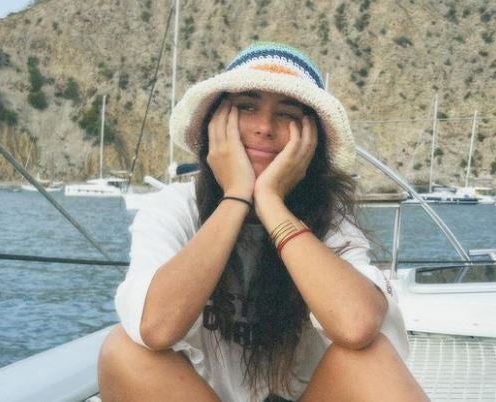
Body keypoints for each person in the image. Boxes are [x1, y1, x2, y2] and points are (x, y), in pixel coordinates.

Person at [98, 43, 427, 402]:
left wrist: (271, 203)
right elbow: (156, 327)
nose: (265, 127)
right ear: (216, 122)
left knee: (370, 358)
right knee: (123, 352)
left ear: (311, 138)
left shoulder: (330, 220)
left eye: (286, 114)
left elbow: (357, 324)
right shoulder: (175, 208)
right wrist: (236, 195)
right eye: (247, 106)